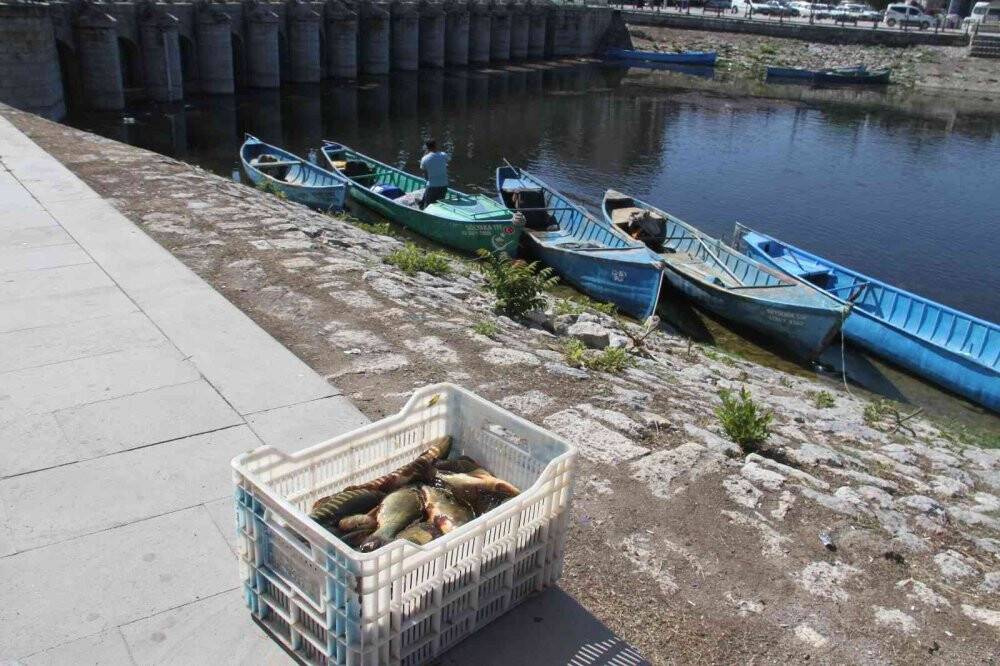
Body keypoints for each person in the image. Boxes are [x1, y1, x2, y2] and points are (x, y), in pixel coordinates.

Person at [418, 139, 449, 210]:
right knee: (440, 206)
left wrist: (426, 154)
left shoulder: (424, 159)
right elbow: (445, 163)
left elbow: (425, 176)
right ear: (436, 145)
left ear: (427, 147)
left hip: (432, 186)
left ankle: (423, 208)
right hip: (444, 185)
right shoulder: (444, 155)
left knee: (427, 207)